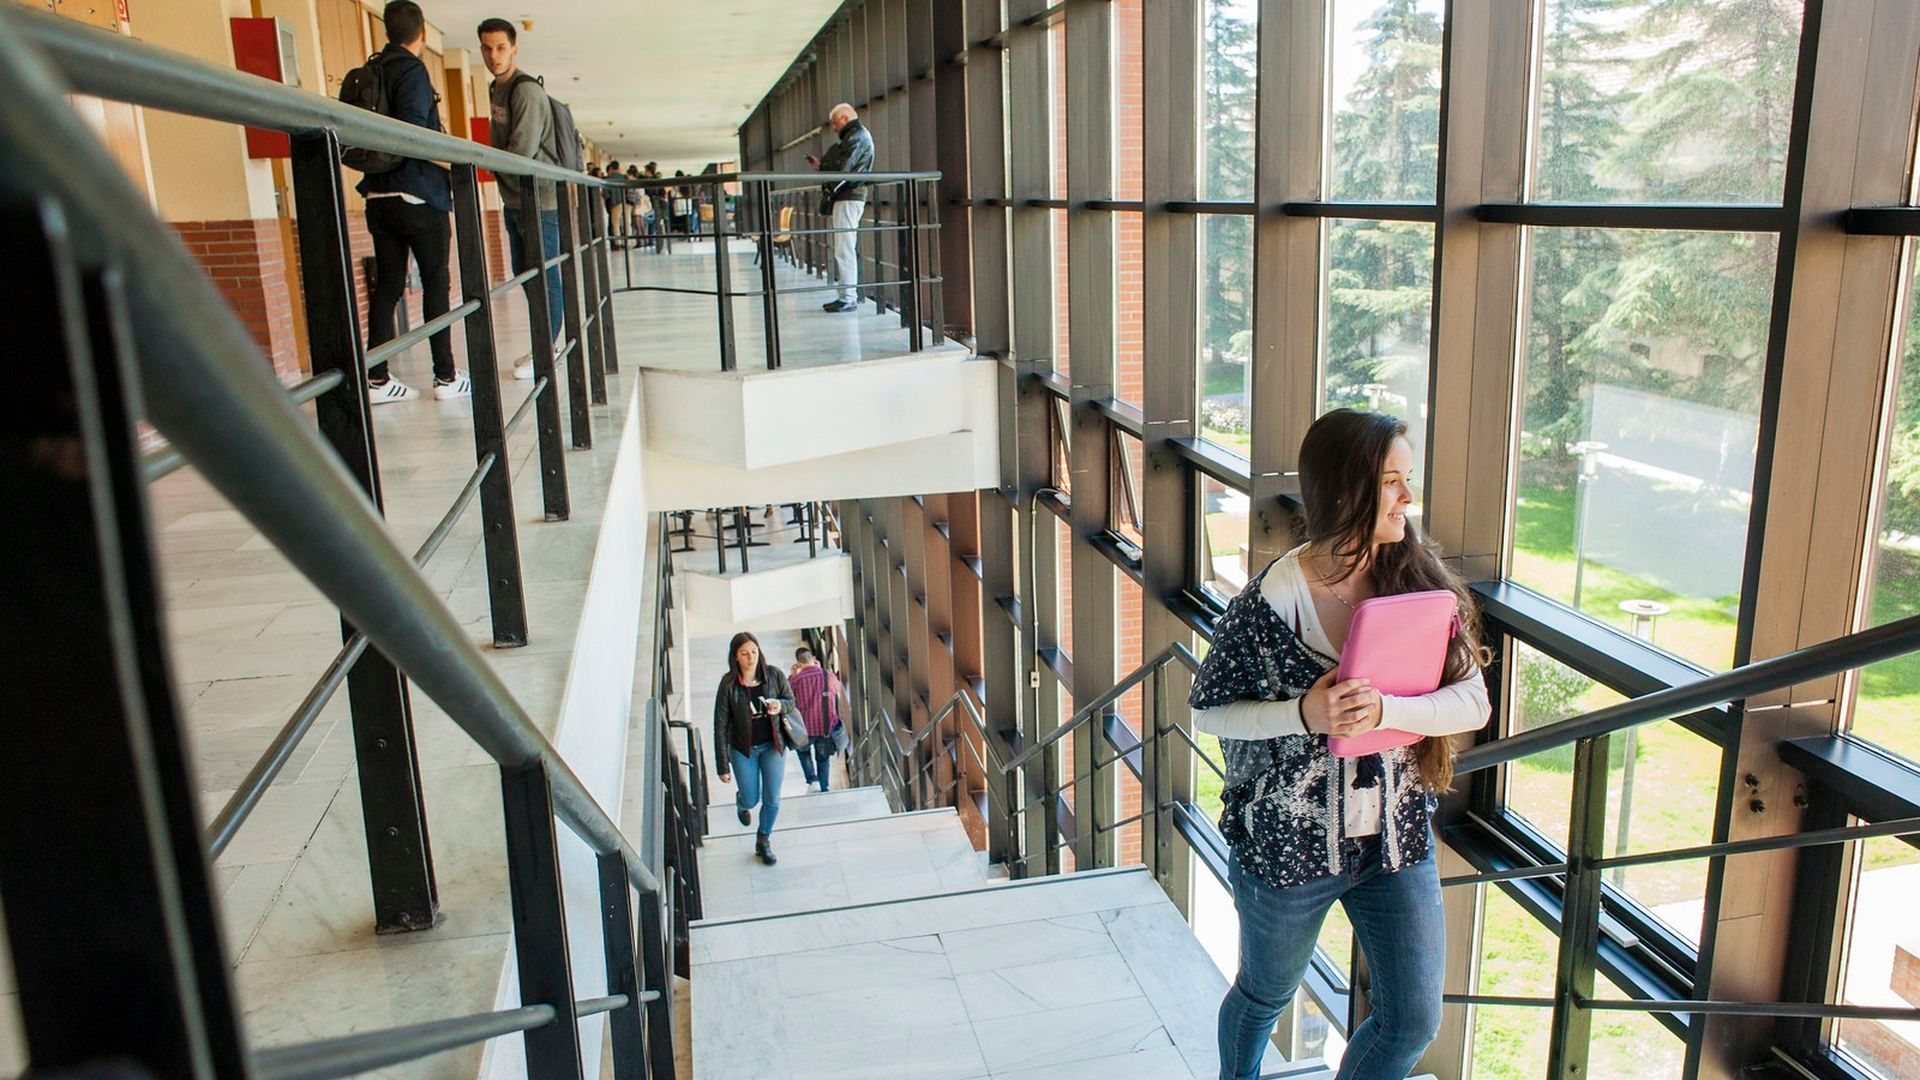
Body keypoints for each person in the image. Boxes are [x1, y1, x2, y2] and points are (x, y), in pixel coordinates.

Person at [1189, 408, 1491, 1080]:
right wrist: (1306, 711)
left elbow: (1473, 700)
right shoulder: (1271, 601)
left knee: (1413, 1018)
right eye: (1391, 482)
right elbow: (1210, 711)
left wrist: (1389, 706)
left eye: (1406, 479)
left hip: (1392, 838)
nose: (1408, 499)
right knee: (1265, 993)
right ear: (1346, 491)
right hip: (1288, 845)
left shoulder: (1418, 580)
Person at [357, 2, 470, 405]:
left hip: (378, 194)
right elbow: (415, 135)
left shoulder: (374, 68)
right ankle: (445, 376)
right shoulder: (412, 70)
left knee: (387, 286)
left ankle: (377, 378)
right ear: (421, 33)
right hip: (419, 193)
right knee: (436, 281)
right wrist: (456, 156)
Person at [478, 16, 563, 381]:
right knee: (526, 274)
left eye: (500, 48)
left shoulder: (525, 91)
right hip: (513, 199)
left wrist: (483, 161)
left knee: (544, 275)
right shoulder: (495, 89)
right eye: (486, 48)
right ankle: (544, 342)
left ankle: (549, 348)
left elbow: (522, 151)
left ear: (514, 48)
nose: (493, 56)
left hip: (537, 199)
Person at [712, 631, 797, 865]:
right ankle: (742, 803)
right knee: (751, 798)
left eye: (754, 651)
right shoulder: (728, 684)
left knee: (773, 799)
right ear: (735, 657)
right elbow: (720, 725)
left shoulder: (774, 675)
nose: (751, 657)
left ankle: (763, 840)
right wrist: (722, 765)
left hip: (772, 746)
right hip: (743, 749)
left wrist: (780, 705)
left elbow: (792, 702)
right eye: (744, 653)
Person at [807, 102, 873, 313]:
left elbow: (844, 169)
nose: (834, 128)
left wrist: (827, 172)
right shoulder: (858, 136)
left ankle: (848, 297)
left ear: (845, 118)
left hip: (848, 197)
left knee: (844, 248)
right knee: (844, 247)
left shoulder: (856, 137)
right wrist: (823, 167)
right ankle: (846, 295)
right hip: (851, 196)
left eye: (835, 123)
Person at [788, 646, 844, 792]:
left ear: (798, 663)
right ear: (813, 659)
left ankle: (812, 780)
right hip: (824, 728)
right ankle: (824, 787)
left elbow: (787, 697)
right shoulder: (827, 675)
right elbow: (837, 688)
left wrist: (792, 675)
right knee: (823, 759)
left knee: (803, 753)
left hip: (804, 729)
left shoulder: (796, 680)